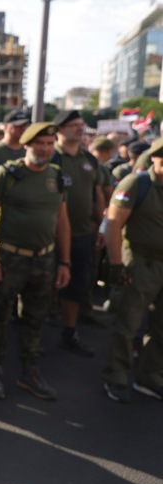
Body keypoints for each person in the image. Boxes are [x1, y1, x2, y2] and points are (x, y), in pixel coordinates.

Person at [0, 122, 71, 400]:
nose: (44, 149)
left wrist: (65, 262)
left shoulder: (57, 176)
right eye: (39, 144)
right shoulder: (8, 173)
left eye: (48, 144)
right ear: (27, 145)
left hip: (43, 260)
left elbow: (62, 222)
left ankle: (29, 371)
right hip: (9, 258)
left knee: (35, 318)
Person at [102, 139, 163, 402]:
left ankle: (149, 375)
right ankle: (117, 374)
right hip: (139, 262)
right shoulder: (136, 184)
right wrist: (116, 265)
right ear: (156, 158)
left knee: (161, 327)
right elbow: (113, 225)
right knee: (128, 322)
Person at [51, 109, 105, 357]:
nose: (80, 129)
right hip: (50, 234)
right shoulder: (50, 157)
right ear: (59, 129)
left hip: (82, 234)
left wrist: (100, 224)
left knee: (77, 284)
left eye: (81, 125)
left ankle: (69, 332)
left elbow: (98, 193)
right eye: (74, 125)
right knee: (43, 286)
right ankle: (35, 334)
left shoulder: (89, 160)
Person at [0, 109, 30, 179]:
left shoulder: (28, 150)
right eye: (18, 125)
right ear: (5, 126)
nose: (23, 128)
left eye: (25, 125)